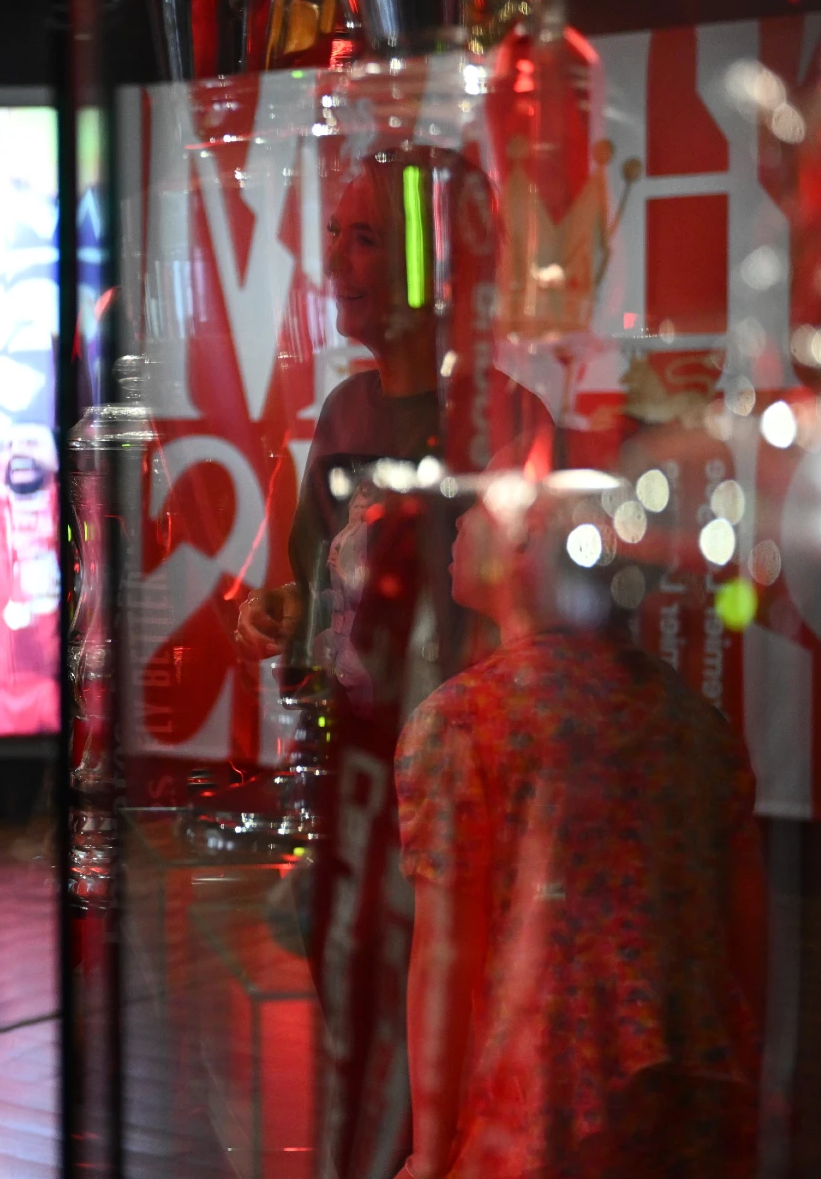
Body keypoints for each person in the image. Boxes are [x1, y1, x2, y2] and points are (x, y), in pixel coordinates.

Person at [233, 149, 552, 1179]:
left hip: (458, 802)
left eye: (364, 237)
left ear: (437, 268)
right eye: (334, 233)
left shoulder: (507, 421)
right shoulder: (339, 415)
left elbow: (526, 628)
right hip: (359, 787)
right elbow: (308, 595)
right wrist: (283, 614)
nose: (337, 260)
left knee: (449, 1036)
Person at [394, 473, 765, 1179]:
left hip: (546, 1114)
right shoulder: (695, 723)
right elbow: (746, 936)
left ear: (526, 545)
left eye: (476, 509)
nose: (457, 527)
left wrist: (430, 1150)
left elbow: (444, 954)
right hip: (699, 1103)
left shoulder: (462, 723)